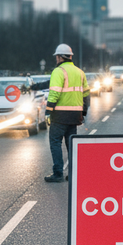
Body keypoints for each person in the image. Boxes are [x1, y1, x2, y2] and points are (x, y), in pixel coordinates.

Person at [43, 44, 89, 183]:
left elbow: (54, 93)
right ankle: (73, 173)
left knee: (55, 142)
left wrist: (48, 111)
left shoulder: (59, 71)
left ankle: (58, 174)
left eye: (56, 57)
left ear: (59, 57)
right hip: (75, 115)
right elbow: (86, 93)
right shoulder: (80, 72)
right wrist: (84, 110)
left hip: (60, 115)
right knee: (71, 144)